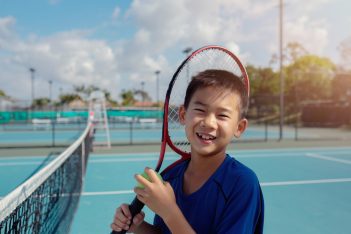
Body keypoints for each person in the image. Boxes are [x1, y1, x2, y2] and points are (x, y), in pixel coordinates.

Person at [111, 69, 264, 233]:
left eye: (222, 115)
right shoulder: (171, 178)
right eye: (200, 110)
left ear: (239, 127)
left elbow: (172, 219)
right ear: (183, 115)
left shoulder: (242, 183)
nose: (209, 122)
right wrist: (139, 227)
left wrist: (169, 211)